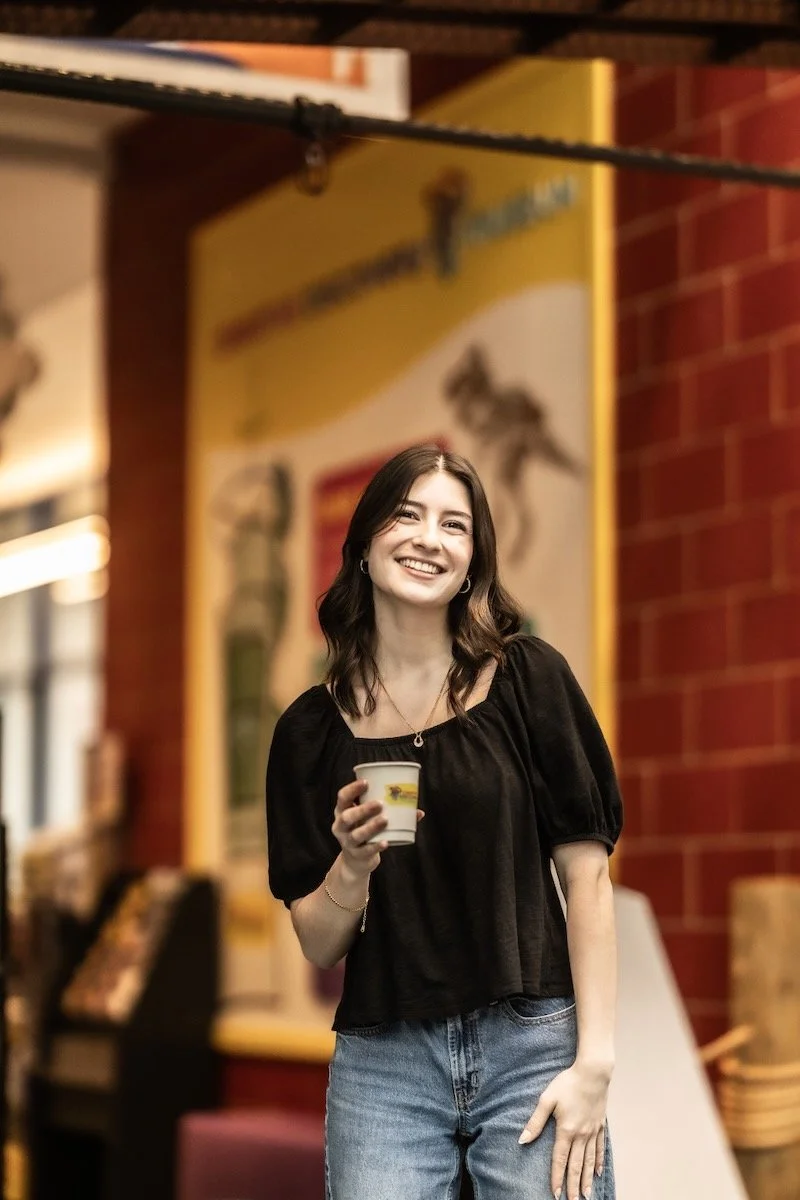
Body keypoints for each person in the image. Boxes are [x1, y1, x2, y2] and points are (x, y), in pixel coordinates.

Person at [266, 444, 623, 1200]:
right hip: (384, 1067)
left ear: (472, 563)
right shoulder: (308, 733)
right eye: (407, 515)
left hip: (533, 1044)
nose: (429, 538)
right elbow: (319, 942)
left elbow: (587, 876)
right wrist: (351, 864)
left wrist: (594, 1061)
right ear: (365, 544)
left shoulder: (530, 679)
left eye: (454, 526)